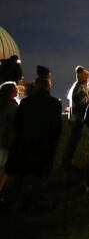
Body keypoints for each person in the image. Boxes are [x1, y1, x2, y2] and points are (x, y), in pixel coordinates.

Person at [5, 67, 61, 208]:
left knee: (20, 174)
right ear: (48, 87)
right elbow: (56, 127)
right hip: (43, 144)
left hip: (25, 142)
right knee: (39, 176)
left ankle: (12, 200)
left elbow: (17, 123)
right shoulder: (54, 103)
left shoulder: (25, 102)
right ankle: (33, 202)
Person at [61, 65, 89, 169]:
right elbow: (83, 104)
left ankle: (67, 160)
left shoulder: (77, 87)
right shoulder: (80, 89)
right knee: (73, 140)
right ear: (85, 79)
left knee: (73, 140)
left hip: (76, 117)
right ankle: (66, 162)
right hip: (78, 118)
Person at [0, 82, 19, 197]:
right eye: (15, 88)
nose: (17, 90)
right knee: (4, 169)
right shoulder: (12, 106)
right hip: (5, 141)